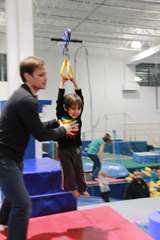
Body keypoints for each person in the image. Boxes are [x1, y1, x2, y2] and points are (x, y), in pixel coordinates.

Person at [0, 56, 77, 240]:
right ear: (28, 76)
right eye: (40, 74)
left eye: (45, 74)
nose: (45, 78)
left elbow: (35, 126)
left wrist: (55, 122)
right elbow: (40, 135)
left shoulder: (25, 95)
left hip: (13, 156)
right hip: (4, 157)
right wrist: (63, 129)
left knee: (12, 196)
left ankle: (3, 223)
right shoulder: (26, 100)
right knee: (23, 203)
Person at [56, 77, 89, 198]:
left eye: (78, 109)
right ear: (66, 108)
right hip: (64, 150)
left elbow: (80, 96)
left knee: (79, 170)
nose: (76, 111)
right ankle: (71, 188)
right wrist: (62, 83)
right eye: (73, 109)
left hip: (76, 148)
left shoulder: (78, 119)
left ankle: (82, 188)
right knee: (68, 170)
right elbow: (59, 101)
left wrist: (74, 81)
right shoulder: (61, 116)